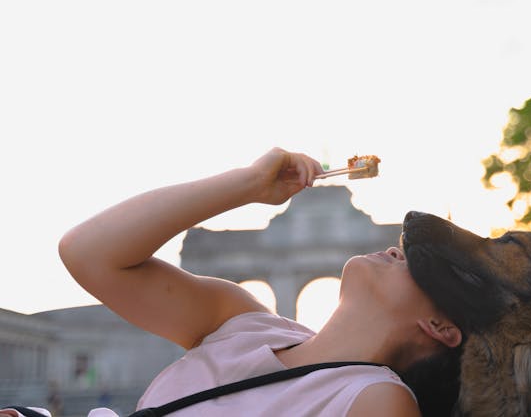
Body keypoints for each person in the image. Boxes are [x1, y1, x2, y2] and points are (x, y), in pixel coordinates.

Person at [1, 148, 463, 417]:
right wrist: (246, 186)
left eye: (420, 261)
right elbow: (87, 254)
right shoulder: (242, 320)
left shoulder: (376, 400)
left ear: (441, 325)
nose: (399, 248)